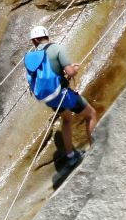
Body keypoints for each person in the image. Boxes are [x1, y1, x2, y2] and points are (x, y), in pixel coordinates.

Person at [25, 25, 98, 166]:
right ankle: (95, 150)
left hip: (49, 98)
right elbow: (70, 72)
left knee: (67, 120)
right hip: (63, 95)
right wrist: (75, 69)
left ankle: (71, 156)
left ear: (34, 41)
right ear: (47, 36)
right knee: (91, 114)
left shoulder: (32, 57)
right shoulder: (56, 49)